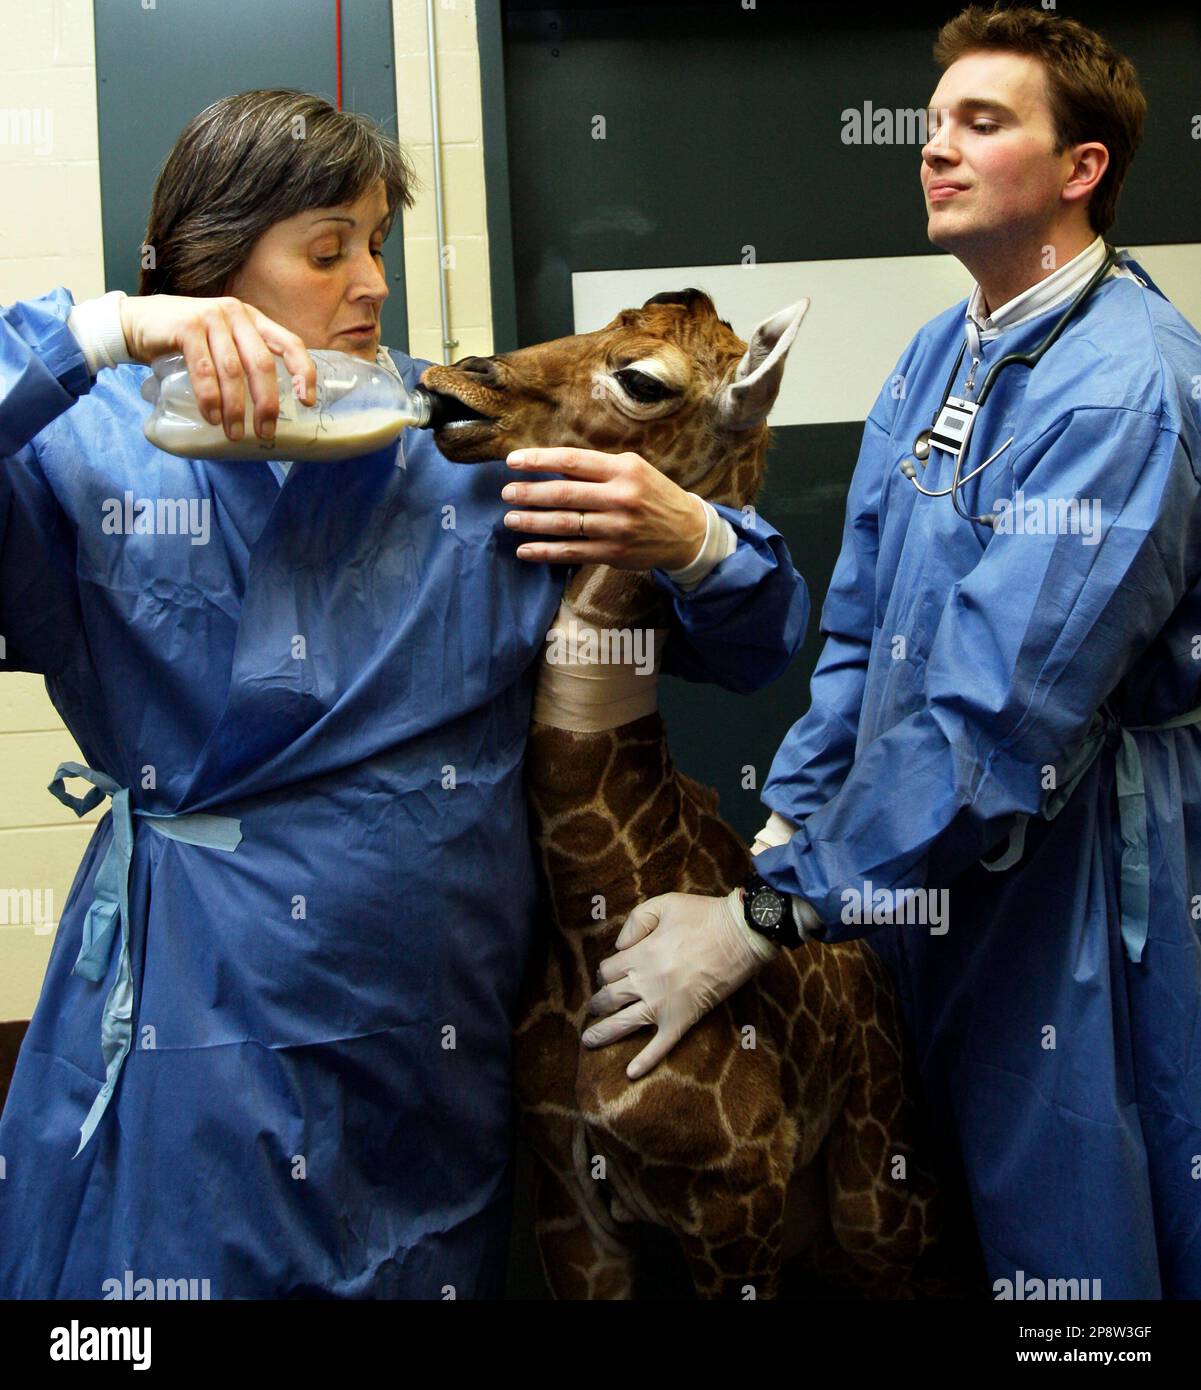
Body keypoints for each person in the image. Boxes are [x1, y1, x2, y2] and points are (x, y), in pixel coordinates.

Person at [0, 88, 808, 1299]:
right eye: (327, 251)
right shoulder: (95, 447)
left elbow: (750, 642)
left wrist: (700, 543)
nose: (372, 283)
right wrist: (104, 333)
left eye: (375, 241)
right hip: (199, 999)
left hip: (432, 1012)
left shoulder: (458, 440)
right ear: (213, 270)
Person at [584, 6, 1201, 1299]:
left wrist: (764, 916)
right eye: (931, 127)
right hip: (905, 871)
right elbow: (860, 635)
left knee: (1075, 1243)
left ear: (1081, 168)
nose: (936, 150)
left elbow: (996, 721)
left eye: (983, 124)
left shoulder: (1124, 390)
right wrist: (792, 826)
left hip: (1069, 880)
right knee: (939, 1221)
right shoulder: (938, 354)